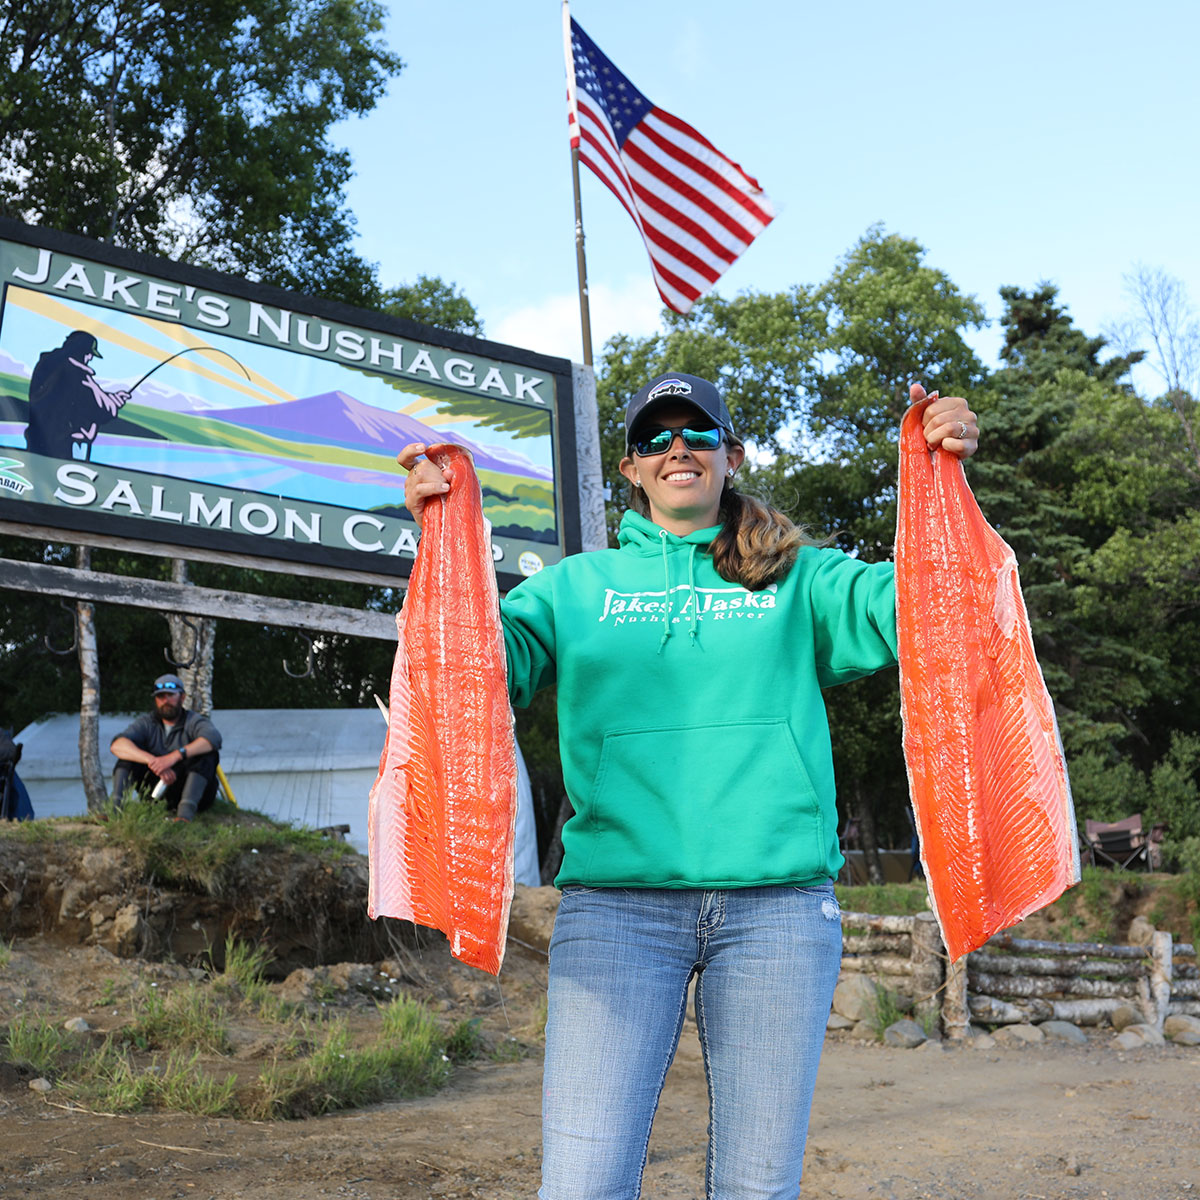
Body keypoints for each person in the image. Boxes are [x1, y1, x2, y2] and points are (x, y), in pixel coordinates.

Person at [398, 371, 979, 1200]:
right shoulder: (571, 590)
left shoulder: (802, 579)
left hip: (777, 910)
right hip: (616, 908)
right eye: (656, 438)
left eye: (698, 434)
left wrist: (938, 474)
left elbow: (933, 602)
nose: (679, 448)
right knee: (582, 1183)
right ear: (630, 469)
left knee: (756, 1186)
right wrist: (441, 532)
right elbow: (472, 668)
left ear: (729, 456)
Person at [109, 674, 223, 823]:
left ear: (182, 697)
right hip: (157, 790)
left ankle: (185, 815)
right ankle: (114, 811)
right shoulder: (146, 723)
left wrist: (174, 757)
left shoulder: (193, 720)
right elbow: (117, 745)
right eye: (160, 696)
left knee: (207, 755)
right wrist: (154, 762)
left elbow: (213, 738)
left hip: (195, 792)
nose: (165, 701)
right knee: (128, 757)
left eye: (170, 695)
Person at [24, 330, 130, 459]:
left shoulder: (46, 365)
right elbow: (100, 410)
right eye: (89, 354)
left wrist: (112, 397)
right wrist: (115, 402)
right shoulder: (77, 374)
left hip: (36, 440)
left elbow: (81, 396)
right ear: (81, 352)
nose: (90, 358)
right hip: (63, 447)